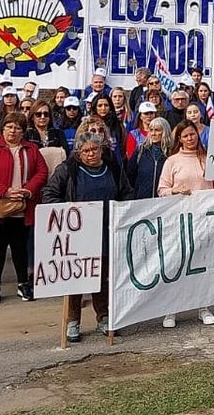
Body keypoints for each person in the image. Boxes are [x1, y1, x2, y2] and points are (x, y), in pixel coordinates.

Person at [43, 132, 132, 341]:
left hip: (106, 230)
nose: (91, 154)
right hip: (78, 233)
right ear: (78, 153)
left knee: (101, 276)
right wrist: (71, 212)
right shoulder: (68, 170)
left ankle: (104, 317)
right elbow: (49, 195)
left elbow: (127, 192)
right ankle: (72, 321)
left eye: (95, 149)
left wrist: (121, 209)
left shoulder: (113, 168)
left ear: (102, 149)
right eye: (86, 151)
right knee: (77, 277)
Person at [0, 113, 48, 305]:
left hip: (22, 207)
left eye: (17, 128)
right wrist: (4, 191)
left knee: (20, 248)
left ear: (23, 131)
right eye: (9, 127)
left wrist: (28, 190)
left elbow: (42, 172)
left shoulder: (31, 149)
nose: (13, 131)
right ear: (3, 129)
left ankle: (23, 283)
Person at [155, 121, 214, 327]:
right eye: (185, 136)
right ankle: (171, 309)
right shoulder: (172, 161)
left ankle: (203, 306)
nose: (190, 138)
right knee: (177, 263)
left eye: (193, 134)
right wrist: (174, 191)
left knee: (202, 264)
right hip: (179, 220)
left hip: (204, 219)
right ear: (179, 139)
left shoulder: (207, 159)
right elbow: (161, 189)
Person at [126, 118, 169, 200]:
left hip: (164, 203)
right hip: (141, 200)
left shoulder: (171, 152)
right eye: (151, 130)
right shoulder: (140, 150)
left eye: (157, 130)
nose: (153, 133)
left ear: (165, 131)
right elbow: (130, 174)